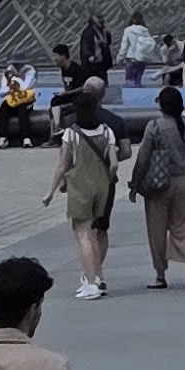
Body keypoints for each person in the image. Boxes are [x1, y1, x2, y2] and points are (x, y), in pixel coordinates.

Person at [50, 90, 122, 301]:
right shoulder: (107, 131)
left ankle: (91, 283)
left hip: (80, 187)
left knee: (84, 235)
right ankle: (98, 276)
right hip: (102, 187)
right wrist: (108, 177)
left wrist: (50, 191)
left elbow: (63, 165)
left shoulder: (71, 134)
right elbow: (115, 163)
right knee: (98, 232)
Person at [131, 84, 185, 294]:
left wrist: (135, 183)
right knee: (184, 225)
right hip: (184, 181)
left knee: (157, 229)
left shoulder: (155, 126)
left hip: (159, 183)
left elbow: (144, 157)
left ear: (161, 105)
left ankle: (160, 275)